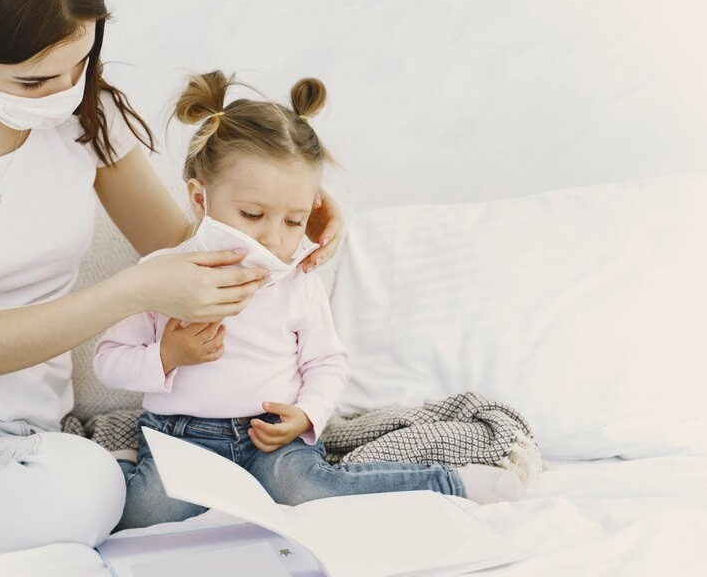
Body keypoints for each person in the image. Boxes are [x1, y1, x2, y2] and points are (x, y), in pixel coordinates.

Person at [0, 0, 344, 559]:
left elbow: (183, 247)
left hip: (12, 427)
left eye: (81, 65)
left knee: (91, 491)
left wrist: (284, 213)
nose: (65, 94)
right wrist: (134, 289)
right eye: (34, 81)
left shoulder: (93, 114)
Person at [93, 71, 526, 532]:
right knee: (144, 513)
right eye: (252, 214)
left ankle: (449, 483)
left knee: (305, 490)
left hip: (270, 433)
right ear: (200, 199)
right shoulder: (160, 274)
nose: (273, 238)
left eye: (293, 221)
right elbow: (108, 361)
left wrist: (306, 415)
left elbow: (327, 362)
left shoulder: (297, 281)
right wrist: (166, 356)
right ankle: (124, 462)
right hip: (182, 436)